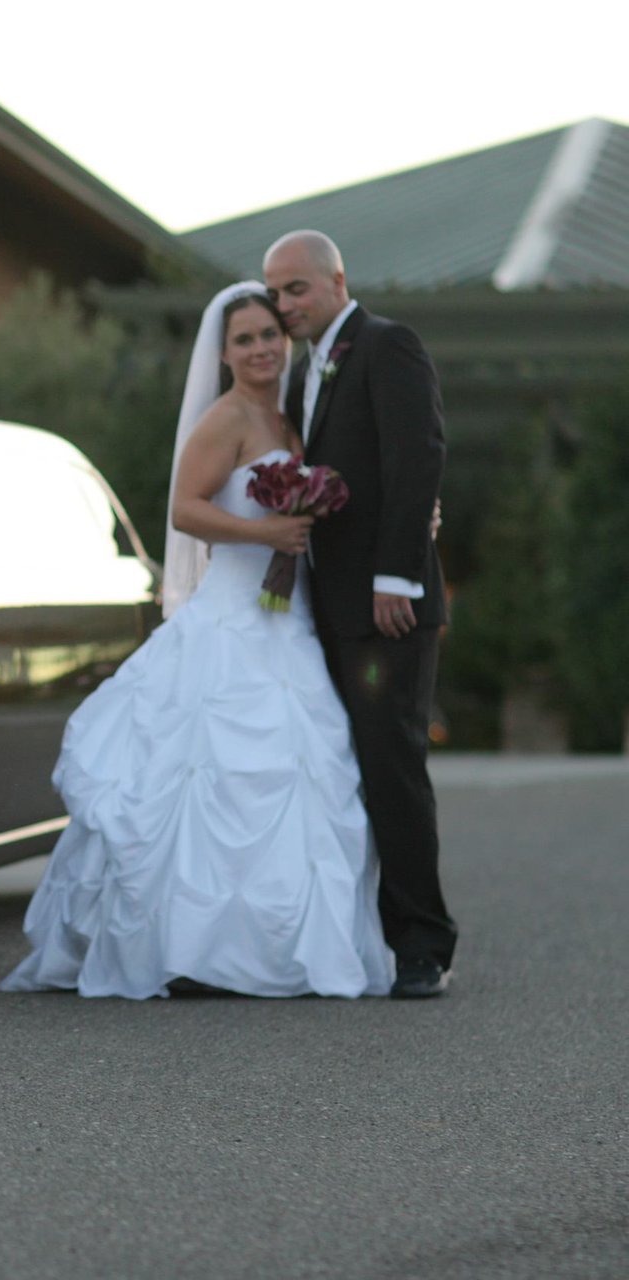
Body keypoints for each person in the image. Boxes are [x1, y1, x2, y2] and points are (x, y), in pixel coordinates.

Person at [0, 281, 395, 999]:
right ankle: (190, 949)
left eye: (269, 335)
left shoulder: (292, 419)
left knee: (305, 768)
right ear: (223, 353)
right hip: (231, 617)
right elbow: (185, 512)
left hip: (289, 621)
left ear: (285, 341)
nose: (260, 349)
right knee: (204, 775)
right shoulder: (225, 419)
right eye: (243, 340)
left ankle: (276, 950)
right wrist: (266, 531)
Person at [263, 230, 455, 999]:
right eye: (276, 293)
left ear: (338, 279)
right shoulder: (309, 368)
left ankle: (423, 946)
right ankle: (365, 933)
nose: (285, 305)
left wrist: (396, 579)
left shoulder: (386, 343)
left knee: (391, 765)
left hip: (386, 607)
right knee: (349, 769)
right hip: (327, 604)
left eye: (297, 289)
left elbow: (420, 455)